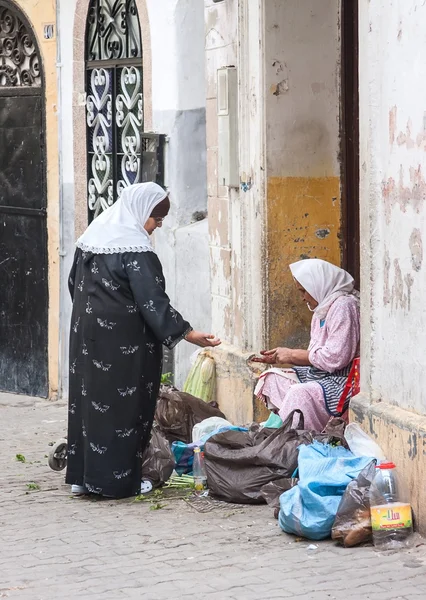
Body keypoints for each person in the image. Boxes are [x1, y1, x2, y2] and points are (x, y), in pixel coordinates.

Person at [66, 182, 220, 498]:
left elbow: (73, 283)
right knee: (124, 408)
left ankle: (84, 478)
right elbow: (152, 301)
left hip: (86, 338)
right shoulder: (135, 249)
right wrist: (188, 333)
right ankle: (118, 482)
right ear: (141, 212)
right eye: (156, 219)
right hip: (125, 346)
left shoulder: (93, 235)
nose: (156, 227)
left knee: (89, 405)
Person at [254, 259, 360, 431]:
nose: (303, 297)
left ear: (318, 285)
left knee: (299, 394)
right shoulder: (321, 309)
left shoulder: (344, 306)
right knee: (271, 378)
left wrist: (292, 355)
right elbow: (315, 356)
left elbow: (336, 358)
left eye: (304, 291)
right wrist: (280, 358)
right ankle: (289, 426)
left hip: (343, 380)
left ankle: (290, 435)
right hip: (321, 375)